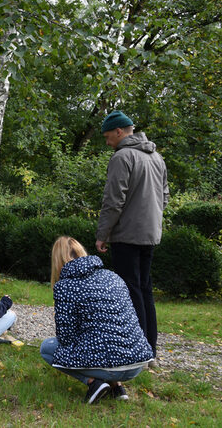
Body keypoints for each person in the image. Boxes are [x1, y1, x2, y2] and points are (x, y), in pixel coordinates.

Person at [42, 236, 153, 404]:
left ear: (57, 261)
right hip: (137, 363)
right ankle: (118, 388)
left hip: (108, 366)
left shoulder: (65, 286)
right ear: (82, 252)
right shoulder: (113, 277)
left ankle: (94, 384)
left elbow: (66, 338)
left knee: (47, 348)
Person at [95, 110, 168, 360]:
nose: (107, 142)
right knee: (145, 289)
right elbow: (165, 196)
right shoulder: (157, 157)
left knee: (130, 291)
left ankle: (136, 351)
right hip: (151, 234)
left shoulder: (122, 157)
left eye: (107, 137)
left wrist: (102, 234)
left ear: (119, 131)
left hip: (126, 235)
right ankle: (151, 348)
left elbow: (113, 201)